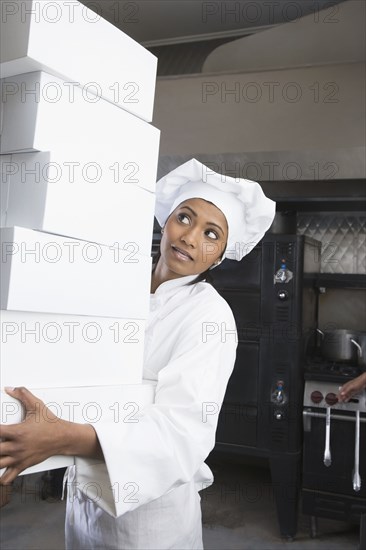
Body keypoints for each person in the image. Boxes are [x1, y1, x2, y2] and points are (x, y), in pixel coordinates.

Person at [0, 159, 275, 549]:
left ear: (220, 256)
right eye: (185, 217)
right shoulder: (117, 286)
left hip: (151, 520)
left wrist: (61, 438)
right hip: (86, 497)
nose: (192, 237)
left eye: (211, 233)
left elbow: (183, 435)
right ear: (166, 221)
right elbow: (68, 371)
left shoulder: (209, 315)